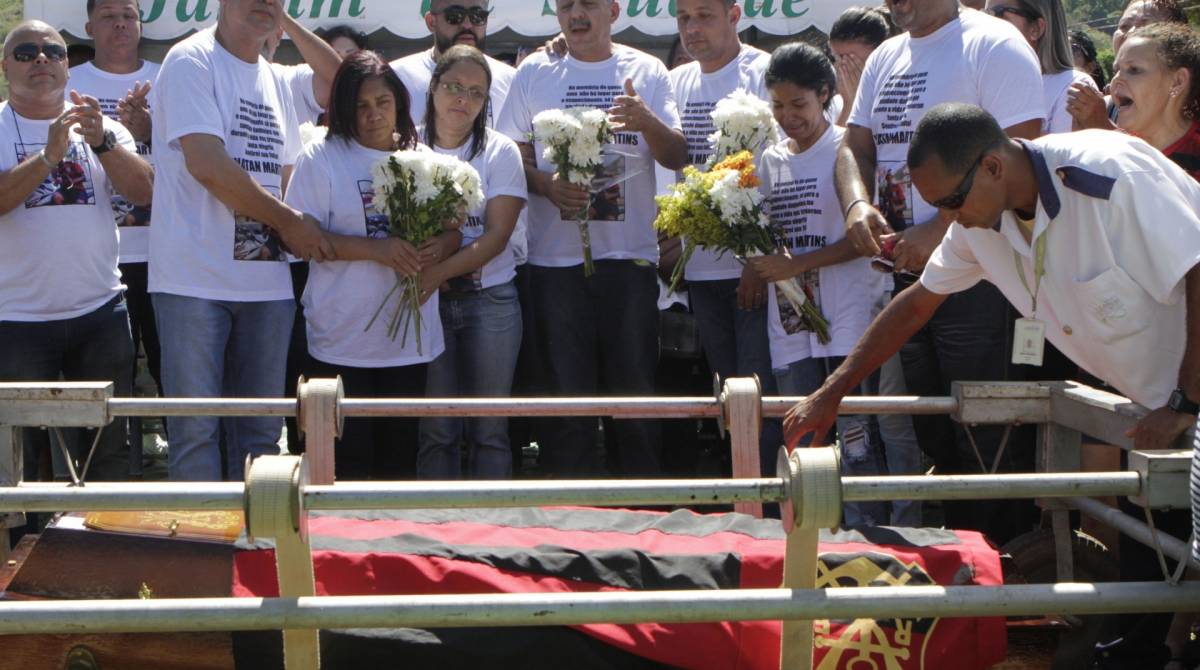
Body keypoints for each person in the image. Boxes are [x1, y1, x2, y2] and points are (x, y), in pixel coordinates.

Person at [785, 101, 1200, 504]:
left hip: (1185, 404)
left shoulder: (1107, 174)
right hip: (1162, 413)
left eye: (951, 202)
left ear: (993, 167)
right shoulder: (976, 222)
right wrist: (832, 392)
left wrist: (1185, 400)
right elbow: (916, 305)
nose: (949, 217)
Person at [836, 0, 1044, 543]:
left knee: (989, 434)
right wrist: (857, 203)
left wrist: (939, 230)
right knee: (936, 432)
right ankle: (962, 559)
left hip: (983, 278)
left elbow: (1023, 156)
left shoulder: (993, 44)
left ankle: (1007, 574)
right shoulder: (884, 56)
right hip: (907, 277)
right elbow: (853, 146)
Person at [496, 0, 687, 477]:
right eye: (566, 6)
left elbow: (678, 155)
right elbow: (506, 155)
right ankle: (575, 518)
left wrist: (647, 122)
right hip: (553, 265)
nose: (576, 15)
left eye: (588, 5)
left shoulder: (647, 69)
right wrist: (546, 185)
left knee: (635, 398)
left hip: (630, 263)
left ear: (614, 11)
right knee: (566, 399)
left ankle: (642, 519)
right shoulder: (535, 71)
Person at [149, 0, 334, 482]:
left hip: (266, 286)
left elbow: (338, 85)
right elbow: (207, 164)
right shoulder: (190, 60)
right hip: (194, 282)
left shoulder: (275, 77)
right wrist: (291, 223)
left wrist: (281, 19)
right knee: (196, 434)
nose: (264, 3)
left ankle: (255, 550)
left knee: (261, 432)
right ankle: (203, 554)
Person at [284, 52, 457, 480]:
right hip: (341, 338)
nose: (373, 114)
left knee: (399, 463)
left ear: (399, 102)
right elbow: (299, 239)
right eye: (360, 105)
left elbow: (454, 230)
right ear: (342, 108)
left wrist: (438, 248)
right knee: (344, 464)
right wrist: (375, 250)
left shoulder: (422, 157)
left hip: (407, 344)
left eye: (383, 102)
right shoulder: (321, 158)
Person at [0, 21, 153, 482]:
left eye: (53, 51)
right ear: (6, 66)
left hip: (99, 313)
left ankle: (103, 547)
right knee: (25, 456)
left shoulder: (97, 125)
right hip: (18, 320)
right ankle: (34, 551)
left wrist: (103, 142)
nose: (41, 59)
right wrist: (48, 156)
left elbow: (144, 191)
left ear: (69, 67)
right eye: (26, 52)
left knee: (107, 450)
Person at [748, 43, 890, 526]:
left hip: (849, 315)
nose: (788, 118)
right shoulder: (768, 161)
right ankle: (806, 537)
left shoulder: (845, 149)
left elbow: (863, 238)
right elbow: (762, 232)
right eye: (778, 107)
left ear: (825, 95)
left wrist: (799, 264)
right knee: (802, 440)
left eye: (799, 105)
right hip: (791, 324)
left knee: (855, 440)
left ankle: (861, 537)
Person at [664, 0, 783, 481]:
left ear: (734, 16)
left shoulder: (764, 71)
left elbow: (780, 169)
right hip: (700, 267)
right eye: (684, 18)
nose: (692, 28)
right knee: (729, 397)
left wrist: (758, 261)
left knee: (761, 393)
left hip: (756, 269)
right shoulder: (675, 81)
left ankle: (775, 506)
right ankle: (745, 505)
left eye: (704, 16)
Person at [414, 46, 528, 480]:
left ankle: (491, 534)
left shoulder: (500, 151)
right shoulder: (407, 146)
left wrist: (436, 273)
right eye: (454, 87)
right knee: (436, 427)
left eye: (476, 93)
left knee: (489, 428)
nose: (463, 99)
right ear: (434, 88)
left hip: (491, 301)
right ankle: (433, 532)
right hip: (426, 303)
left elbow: (497, 236)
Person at [69, 0, 163, 470]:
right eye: (108, 16)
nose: (120, 24)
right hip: (96, 262)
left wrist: (150, 128)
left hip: (168, 255)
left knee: (170, 372)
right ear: (89, 27)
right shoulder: (68, 84)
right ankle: (116, 474)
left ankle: (178, 477)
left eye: (128, 14)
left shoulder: (168, 75)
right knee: (112, 379)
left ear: (141, 25)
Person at [391, 0, 516, 128]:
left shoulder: (512, 81)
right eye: (455, 16)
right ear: (431, 22)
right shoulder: (396, 77)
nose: (467, 25)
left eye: (477, 16)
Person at [1067, 0, 1188, 131]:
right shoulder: (1104, 108)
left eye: (1135, 70)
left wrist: (1102, 127)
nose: (1131, 33)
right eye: (1124, 26)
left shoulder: (1192, 117)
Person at [984, 0, 1098, 134]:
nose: (987, 24)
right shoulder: (982, 81)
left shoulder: (1073, 87)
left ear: (1036, 28)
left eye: (998, 14)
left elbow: (1061, 153)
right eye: (984, 14)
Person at [828, 6, 897, 128]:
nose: (841, 68)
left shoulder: (900, 97)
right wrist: (850, 103)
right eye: (836, 58)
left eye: (851, 60)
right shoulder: (832, 106)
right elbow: (840, 146)